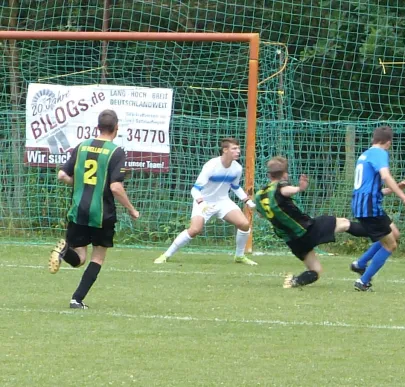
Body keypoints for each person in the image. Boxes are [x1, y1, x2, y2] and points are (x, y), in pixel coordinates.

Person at [49, 109, 140, 309]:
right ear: (116, 128)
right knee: (97, 258)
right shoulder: (116, 152)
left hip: (78, 210)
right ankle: (76, 299)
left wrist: (80, 183)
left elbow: (62, 176)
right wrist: (132, 210)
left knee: (79, 258)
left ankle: (65, 251)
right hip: (102, 213)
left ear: (97, 127)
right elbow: (116, 187)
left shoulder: (82, 146)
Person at [255, 156, 368, 288]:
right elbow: (284, 191)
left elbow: (261, 214)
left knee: (316, 271)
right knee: (344, 223)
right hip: (306, 230)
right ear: (285, 174)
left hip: (293, 241)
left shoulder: (259, 195)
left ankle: (294, 282)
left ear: (269, 174)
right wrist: (299, 189)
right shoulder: (280, 187)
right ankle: (376, 232)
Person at [154, 138, 258, 265]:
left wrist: (247, 201)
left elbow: (235, 187)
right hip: (204, 202)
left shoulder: (237, 168)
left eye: (238, 148)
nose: (238, 151)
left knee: (244, 224)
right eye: (234, 148)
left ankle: (239, 256)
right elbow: (195, 189)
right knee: (195, 230)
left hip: (223, 201)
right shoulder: (211, 165)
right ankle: (166, 255)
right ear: (225, 150)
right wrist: (201, 203)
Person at [350, 125, 405, 292]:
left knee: (394, 234)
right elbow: (386, 176)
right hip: (369, 207)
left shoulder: (365, 154)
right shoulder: (380, 153)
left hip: (364, 204)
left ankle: (360, 263)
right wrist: (404, 197)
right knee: (390, 245)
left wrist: (397, 187)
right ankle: (363, 281)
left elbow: (374, 189)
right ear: (388, 142)